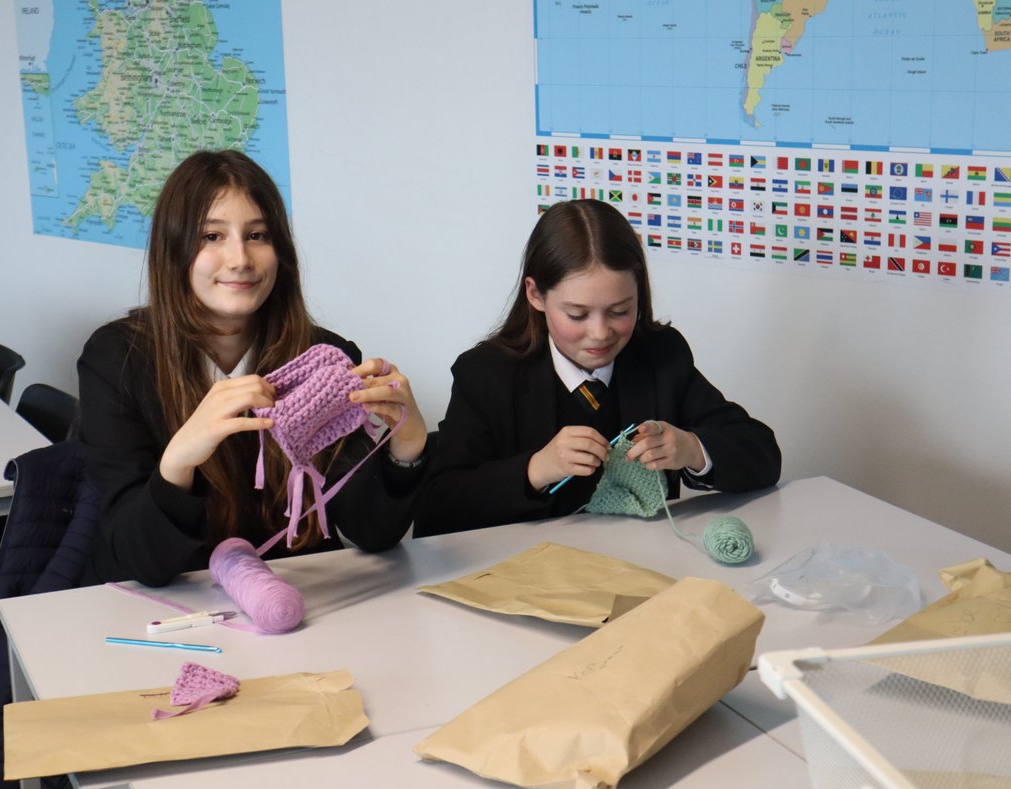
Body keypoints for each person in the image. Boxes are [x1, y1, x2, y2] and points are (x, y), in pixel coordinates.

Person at [78, 150, 430, 585]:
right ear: (173, 249)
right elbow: (138, 563)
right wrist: (181, 459)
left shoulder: (322, 354)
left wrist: (407, 448)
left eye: (258, 235)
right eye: (211, 237)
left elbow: (370, 533)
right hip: (178, 615)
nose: (240, 258)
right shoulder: (117, 359)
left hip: (304, 610)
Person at [415, 199, 780, 536]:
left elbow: (762, 453)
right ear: (536, 295)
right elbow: (437, 509)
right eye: (577, 314)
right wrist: (535, 470)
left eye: (620, 311)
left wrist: (691, 449)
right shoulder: (486, 375)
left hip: (646, 567)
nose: (601, 333)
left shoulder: (660, 357)